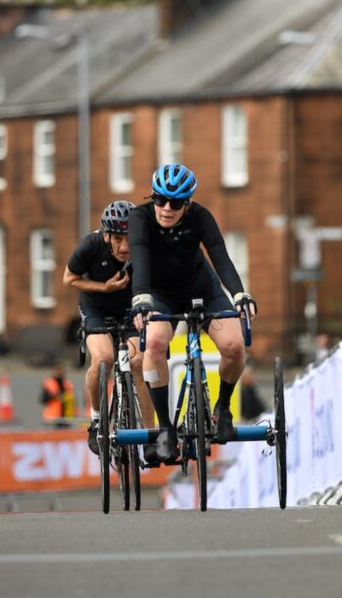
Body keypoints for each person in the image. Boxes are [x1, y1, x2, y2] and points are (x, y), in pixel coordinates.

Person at [130, 163, 257, 463]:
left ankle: (222, 408)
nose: (166, 208)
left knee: (234, 345)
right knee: (156, 344)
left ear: (187, 204)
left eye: (175, 203)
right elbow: (139, 257)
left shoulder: (200, 216)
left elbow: (220, 256)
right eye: (159, 200)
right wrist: (140, 298)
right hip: (159, 295)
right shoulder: (140, 217)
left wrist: (239, 295)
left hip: (202, 290)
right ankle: (165, 428)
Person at [63, 199, 156, 458]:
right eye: (117, 238)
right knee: (104, 358)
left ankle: (151, 436)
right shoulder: (90, 246)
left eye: (129, 238)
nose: (124, 246)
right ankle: (95, 421)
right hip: (96, 307)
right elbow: (69, 279)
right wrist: (103, 288)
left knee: (138, 362)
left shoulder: (143, 248)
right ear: (106, 235)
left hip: (130, 308)